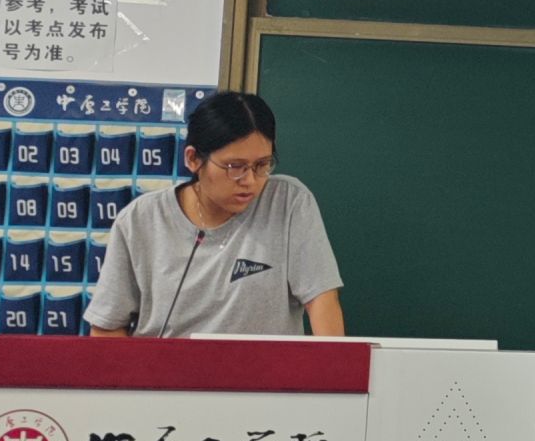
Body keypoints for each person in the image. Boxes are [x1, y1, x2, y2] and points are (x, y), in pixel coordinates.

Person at [86, 90, 344, 339]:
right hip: (166, 368)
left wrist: (335, 364)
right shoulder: (141, 219)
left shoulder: (288, 202)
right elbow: (107, 328)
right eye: (235, 166)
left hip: (265, 370)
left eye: (262, 165)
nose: (250, 180)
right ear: (193, 159)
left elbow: (322, 301)